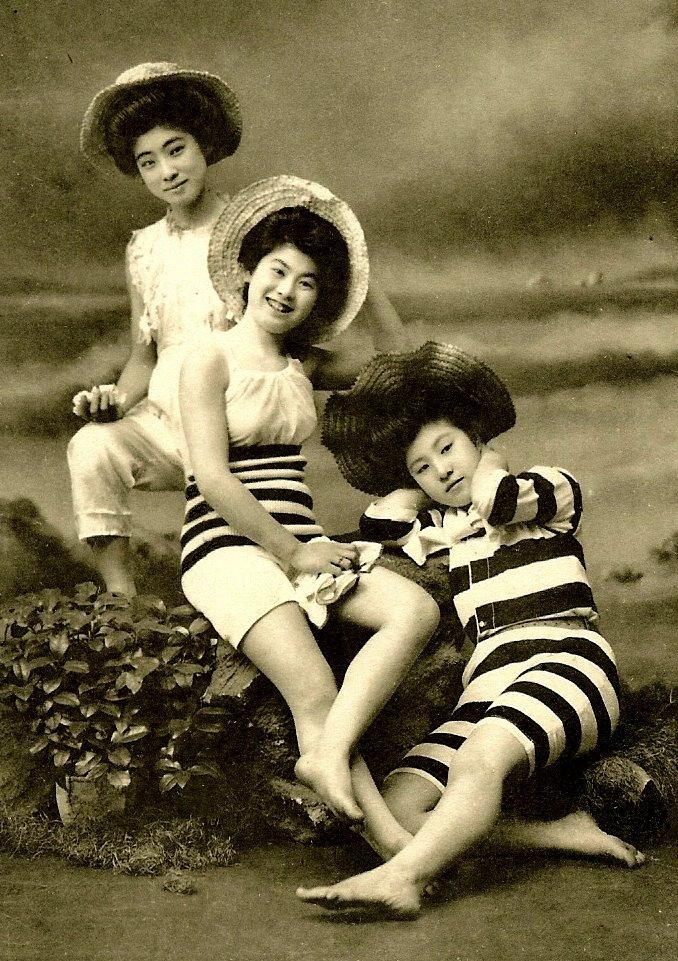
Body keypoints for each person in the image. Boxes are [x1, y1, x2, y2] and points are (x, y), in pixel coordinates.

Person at [298, 341, 645, 919]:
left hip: (567, 659)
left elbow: (497, 498)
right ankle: (558, 833)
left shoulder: (549, 489)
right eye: (423, 467)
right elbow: (379, 523)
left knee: (478, 759)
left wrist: (483, 458)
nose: (442, 469)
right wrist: (418, 479)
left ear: (477, 437)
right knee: (400, 806)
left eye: (448, 447)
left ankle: (402, 878)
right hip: (487, 685)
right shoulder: (446, 532)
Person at [178, 177, 440, 824]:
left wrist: (362, 280)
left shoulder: (305, 366)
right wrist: (294, 554)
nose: (286, 291)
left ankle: (333, 763)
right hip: (229, 550)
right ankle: (397, 851)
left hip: (302, 545)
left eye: (308, 282)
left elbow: (406, 369)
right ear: (247, 271)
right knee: (315, 689)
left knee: (415, 611)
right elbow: (212, 479)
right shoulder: (208, 358)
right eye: (277, 270)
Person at [68, 62, 242, 595]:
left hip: (239, 426)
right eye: (148, 162)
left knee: (230, 571)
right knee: (91, 447)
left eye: (176, 149)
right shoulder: (143, 248)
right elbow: (145, 354)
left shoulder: (249, 231)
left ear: (203, 144)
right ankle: (121, 601)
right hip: (165, 427)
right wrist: (115, 402)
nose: (167, 171)